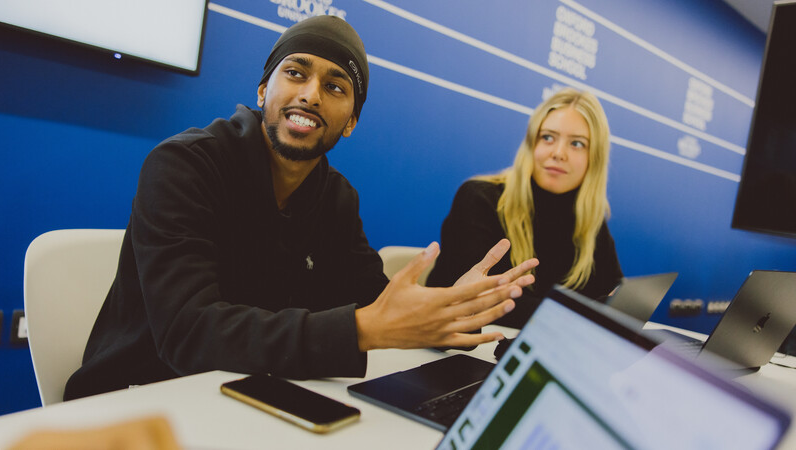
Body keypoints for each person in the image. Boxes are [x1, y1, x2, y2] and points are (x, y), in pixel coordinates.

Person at [64, 15, 536, 401]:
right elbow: (189, 333)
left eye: (335, 86)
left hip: (245, 396)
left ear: (350, 121)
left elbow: (374, 299)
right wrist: (359, 330)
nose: (310, 93)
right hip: (134, 400)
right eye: (296, 72)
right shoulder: (184, 165)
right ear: (262, 90)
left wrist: (446, 306)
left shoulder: (335, 196)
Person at [427, 88, 622, 330]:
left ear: (595, 158)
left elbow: (615, 296)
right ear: (531, 144)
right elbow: (482, 304)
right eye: (548, 137)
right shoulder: (480, 198)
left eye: (577, 144)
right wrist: (585, 316)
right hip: (457, 353)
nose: (558, 153)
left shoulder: (590, 220)